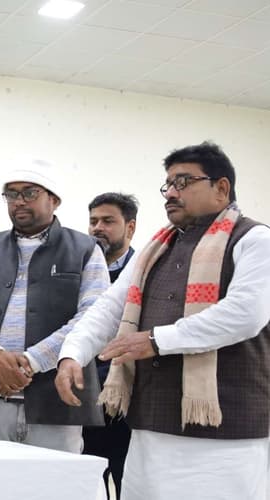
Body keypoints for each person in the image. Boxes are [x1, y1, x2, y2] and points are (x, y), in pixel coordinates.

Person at [56, 142, 270, 500]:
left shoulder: (255, 240)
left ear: (221, 188)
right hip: (150, 428)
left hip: (226, 435)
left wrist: (156, 340)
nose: (171, 192)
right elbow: (109, 307)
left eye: (183, 182)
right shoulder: (155, 250)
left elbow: (245, 314)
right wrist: (72, 354)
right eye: (168, 184)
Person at [0, 158, 109, 452]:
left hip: (56, 404)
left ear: (54, 200)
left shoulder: (85, 249)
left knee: (55, 480)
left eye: (29, 193)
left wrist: (31, 363)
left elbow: (94, 317)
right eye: (11, 194)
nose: (19, 201)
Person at [83, 192, 138, 498]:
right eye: (93, 221)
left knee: (125, 480)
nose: (97, 228)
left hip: (125, 400)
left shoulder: (143, 273)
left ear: (130, 227)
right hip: (81, 397)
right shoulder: (78, 270)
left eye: (107, 221)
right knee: (88, 483)